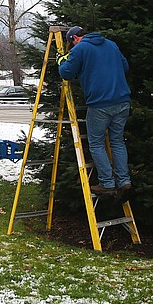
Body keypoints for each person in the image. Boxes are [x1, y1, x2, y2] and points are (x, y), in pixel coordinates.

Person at [58, 25, 132, 198]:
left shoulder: (80, 48)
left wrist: (62, 60)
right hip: (122, 101)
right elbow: (125, 67)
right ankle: (124, 182)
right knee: (117, 142)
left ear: (74, 39)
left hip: (100, 104)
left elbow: (66, 72)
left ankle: (107, 183)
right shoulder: (111, 44)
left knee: (97, 143)